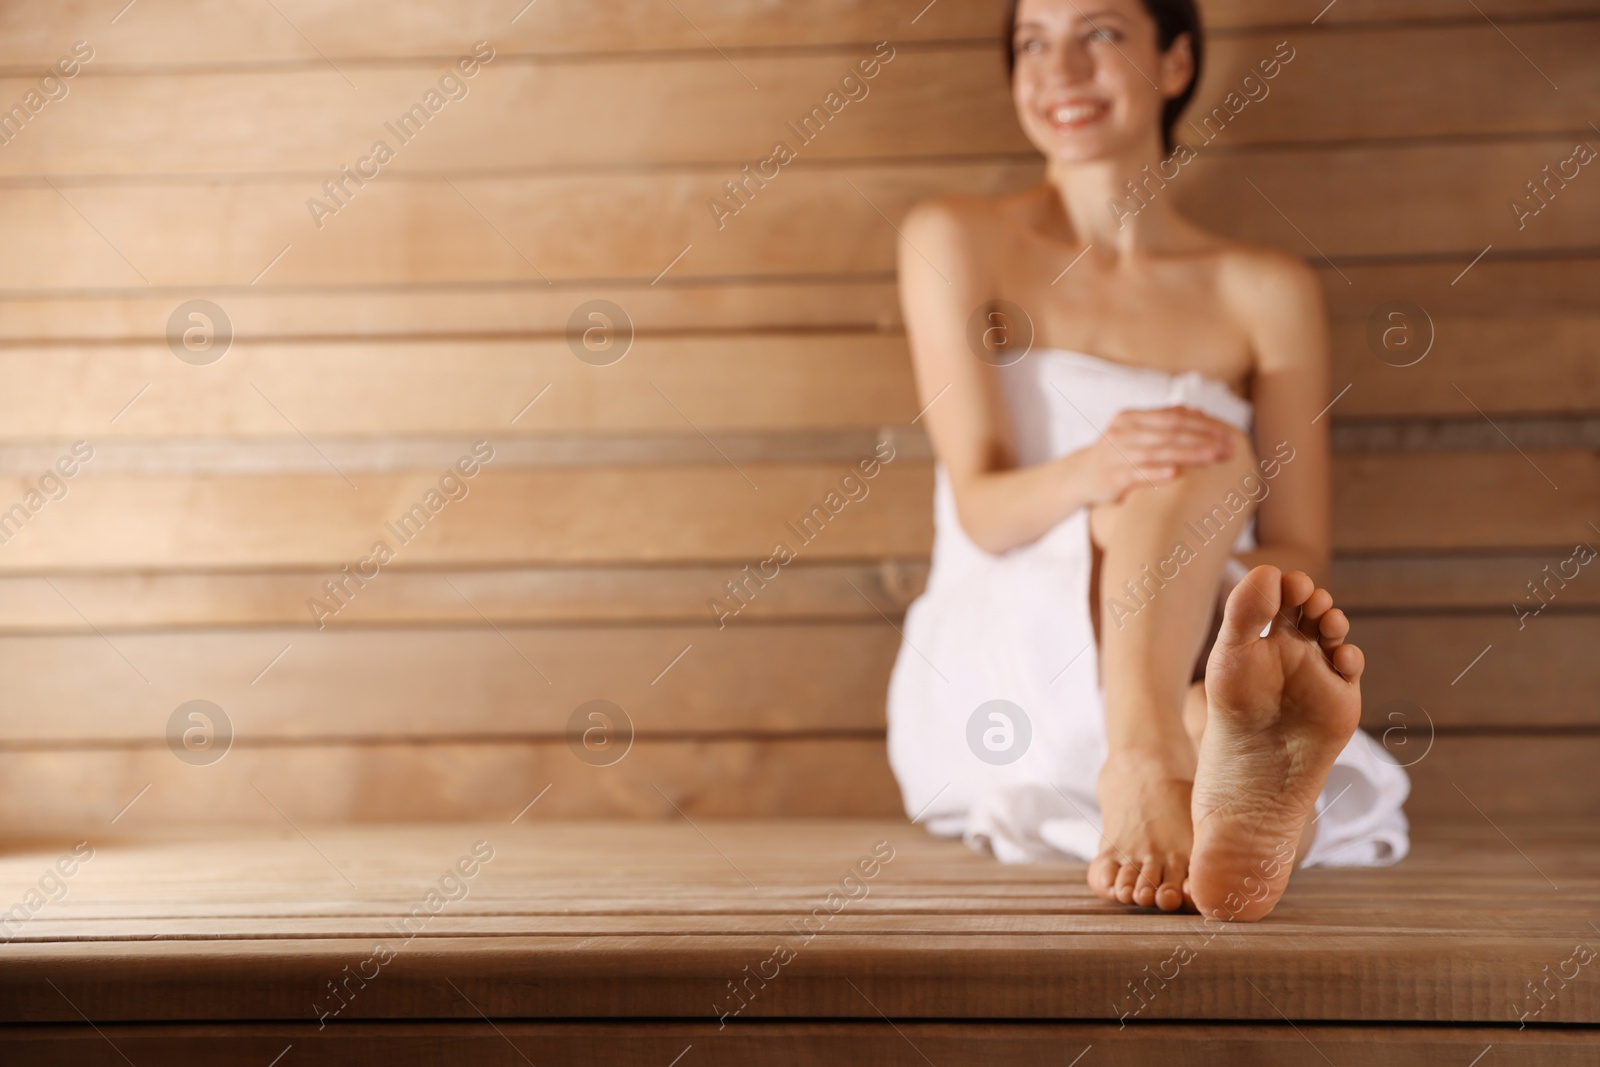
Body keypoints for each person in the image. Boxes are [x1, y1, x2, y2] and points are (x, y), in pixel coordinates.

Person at [885, 0, 1409, 921]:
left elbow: (1301, 549)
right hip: (1019, 625)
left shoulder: (1264, 289)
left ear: (1174, 63)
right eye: (1031, 44)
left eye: (1098, 35)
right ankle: (1165, 744)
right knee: (1194, 460)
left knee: (1208, 498)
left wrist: (1237, 616)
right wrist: (1101, 468)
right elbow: (981, 507)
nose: (1059, 72)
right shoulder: (957, 239)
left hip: (1207, 619)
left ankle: (1210, 755)